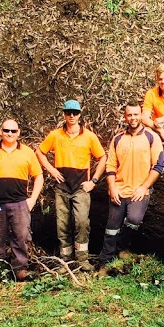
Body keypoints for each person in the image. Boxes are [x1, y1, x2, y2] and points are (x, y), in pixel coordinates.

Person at [37, 99, 106, 272]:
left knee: (82, 222)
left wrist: (94, 181)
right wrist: (51, 170)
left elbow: (103, 158)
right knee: (62, 224)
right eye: (68, 112)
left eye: (75, 113)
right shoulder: (55, 135)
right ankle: (66, 260)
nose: (72, 116)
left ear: (80, 114)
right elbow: (40, 152)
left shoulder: (89, 136)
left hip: (81, 187)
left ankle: (82, 259)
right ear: (64, 114)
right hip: (62, 186)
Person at [98, 103, 164, 270]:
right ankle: (104, 261)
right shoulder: (118, 139)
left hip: (139, 190)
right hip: (119, 190)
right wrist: (112, 187)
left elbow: (159, 165)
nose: (133, 118)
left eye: (136, 114)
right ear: (125, 116)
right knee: (111, 227)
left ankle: (122, 248)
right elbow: (110, 166)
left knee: (134, 220)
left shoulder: (151, 137)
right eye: (130, 115)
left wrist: (144, 187)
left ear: (141, 115)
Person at [0, 118, 44, 281]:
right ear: (0, 132)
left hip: (20, 201)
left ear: (18, 133)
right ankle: (1, 268)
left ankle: (20, 269)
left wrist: (33, 199)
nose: (9, 134)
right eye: (6, 130)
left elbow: (39, 176)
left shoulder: (27, 152)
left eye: (13, 131)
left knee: (21, 235)